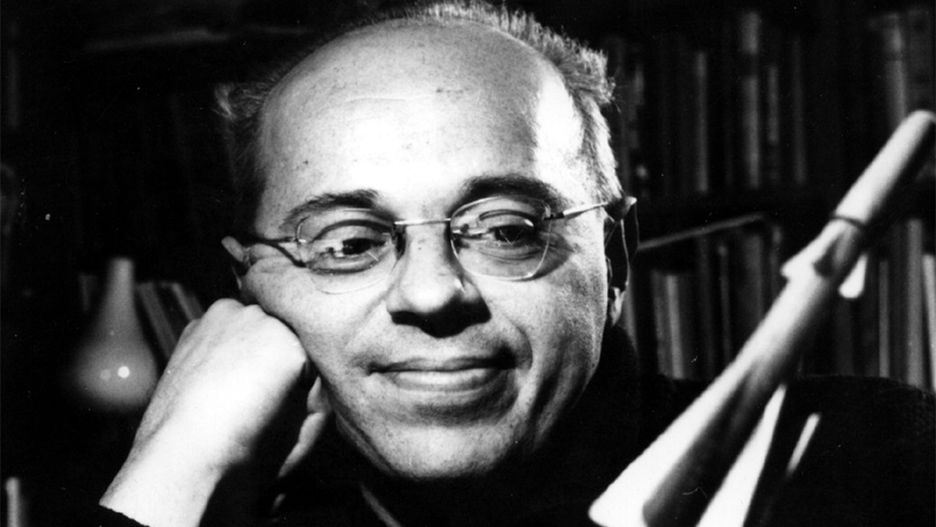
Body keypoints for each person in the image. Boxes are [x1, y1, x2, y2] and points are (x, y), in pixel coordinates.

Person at [94, 2, 934, 526]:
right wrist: (169, 479)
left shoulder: (889, 467)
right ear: (249, 292)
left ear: (616, 256)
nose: (432, 293)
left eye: (504, 228)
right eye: (348, 243)